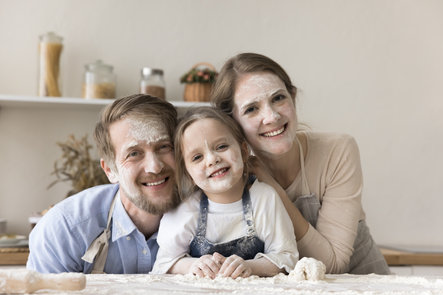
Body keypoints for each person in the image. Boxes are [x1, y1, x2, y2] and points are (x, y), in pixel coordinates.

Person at [210, 53, 390, 275]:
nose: (272, 116)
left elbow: (332, 265)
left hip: (365, 285)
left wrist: (272, 187)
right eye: (251, 109)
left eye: (278, 98)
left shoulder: (337, 151)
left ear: (292, 97)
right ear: (232, 122)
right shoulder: (228, 176)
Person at [26, 94, 180, 274]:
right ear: (109, 170)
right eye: (134, 154)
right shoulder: (65, 230)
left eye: (164, 147)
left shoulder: (209, 217)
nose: (155, 167)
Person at [151, 107, 298, 279]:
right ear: (188, 174)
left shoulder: (264, 198)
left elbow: (287, 258)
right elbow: (163, 263)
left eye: (221, 146)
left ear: (244, 151)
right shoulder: (186, 208)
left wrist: (250, 267)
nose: (212, 159)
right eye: (197, 157)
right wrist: (192, 265)